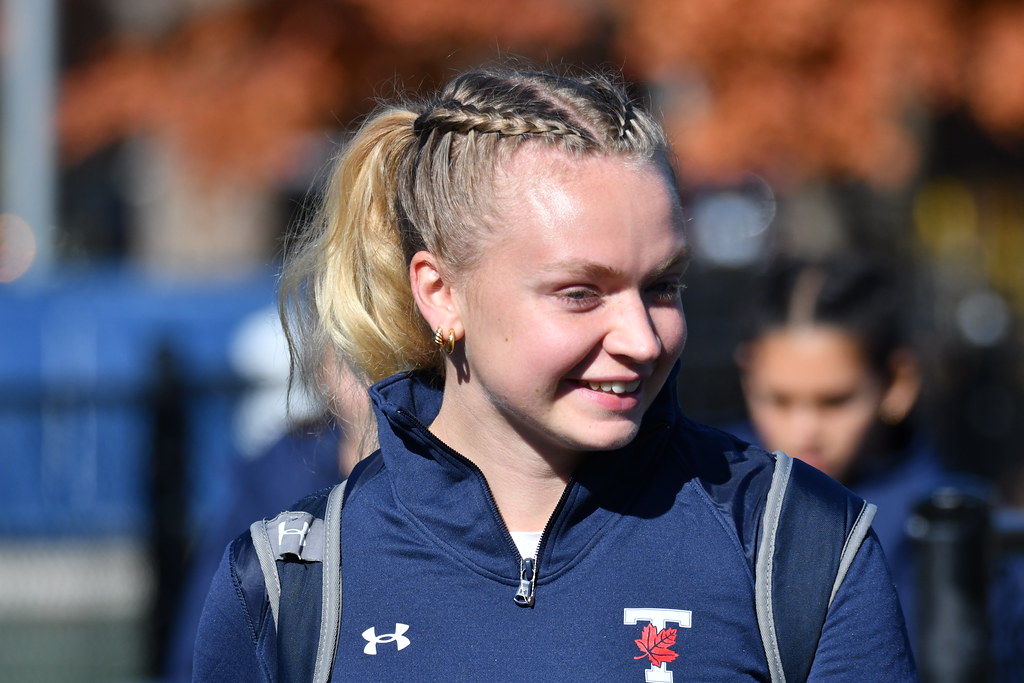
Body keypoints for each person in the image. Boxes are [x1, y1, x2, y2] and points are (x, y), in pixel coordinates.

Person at [194, 65, 915, 681]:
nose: (641, 338)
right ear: (440, 292)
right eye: (580, 293)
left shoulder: (796, 544)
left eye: (662, 286)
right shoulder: (293, 586)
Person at [730, 255, 997, 668]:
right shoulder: (709, 486)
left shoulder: (943, 522)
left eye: (835, 401)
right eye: (779, 399)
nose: (805, 429)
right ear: (748, 377)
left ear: (897, 383)